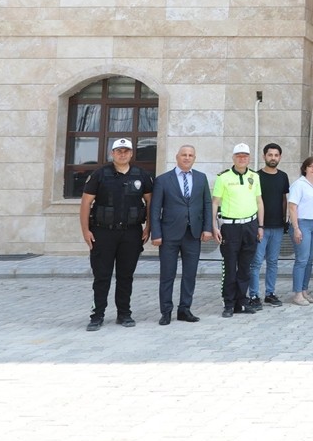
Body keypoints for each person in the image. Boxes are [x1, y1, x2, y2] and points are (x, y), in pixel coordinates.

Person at [79, 137, 153, 331]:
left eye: (126, 151)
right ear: (112, 153)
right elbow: (86, 203)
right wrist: (85, 230)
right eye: (119, 151)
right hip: (103, 233)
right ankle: (97, 315)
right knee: (101, 276)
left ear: (131, 153)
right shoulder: (100, 174)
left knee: (125, 276)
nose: (122, 154)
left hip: (131, 233)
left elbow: (150, 202)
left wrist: (148, 227)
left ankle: (124, 313)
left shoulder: (141, 175)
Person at [150, 144, 212, 325]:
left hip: (193, 234)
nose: (187, 157)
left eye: (190, 155)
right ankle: (166, 311)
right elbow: (155, 209)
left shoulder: (201, 178)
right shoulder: (163, 180)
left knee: (190, 274)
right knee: (167, 274)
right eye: (184, 154)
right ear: (177, 157)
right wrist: (156, 233)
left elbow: (207, 204)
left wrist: (207, 228)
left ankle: (185, 309)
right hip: (169, 235)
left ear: (194, 158)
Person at [212, 143, 264, 319]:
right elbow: (215, 202)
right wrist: (214, 226)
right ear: (233, 158)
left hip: (250, 225)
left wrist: (260, 226)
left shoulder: (254, 177)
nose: (242, 159)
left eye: (245, 156)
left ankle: (241, 301)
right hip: (230, 227)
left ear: (249, 158)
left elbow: (259, 202)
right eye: (239, 156)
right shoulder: (223, 177)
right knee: (229, 267)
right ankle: (228, 303)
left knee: (245, 267)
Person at [247, 142, 289, 309]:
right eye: (270, 155)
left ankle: (270, 293)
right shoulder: (255, 176)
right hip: (260, 227)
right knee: (256, 262)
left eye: (276, 155)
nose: (273, 158)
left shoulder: (283, 176)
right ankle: (254, 295)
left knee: (273, 262)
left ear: (280, 157)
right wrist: (258, 225)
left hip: (278, 226)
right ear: (264, 156)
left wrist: (285, 220)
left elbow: (284, 199)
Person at [288, 157, 313, 306]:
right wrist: (296, 228)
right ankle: (297, 293)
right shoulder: (299, 184)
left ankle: (304, 290)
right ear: (305, 168)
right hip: (302, 223)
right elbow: (292, 207)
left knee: (310, 260)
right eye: (310, 166)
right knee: (302, 259)